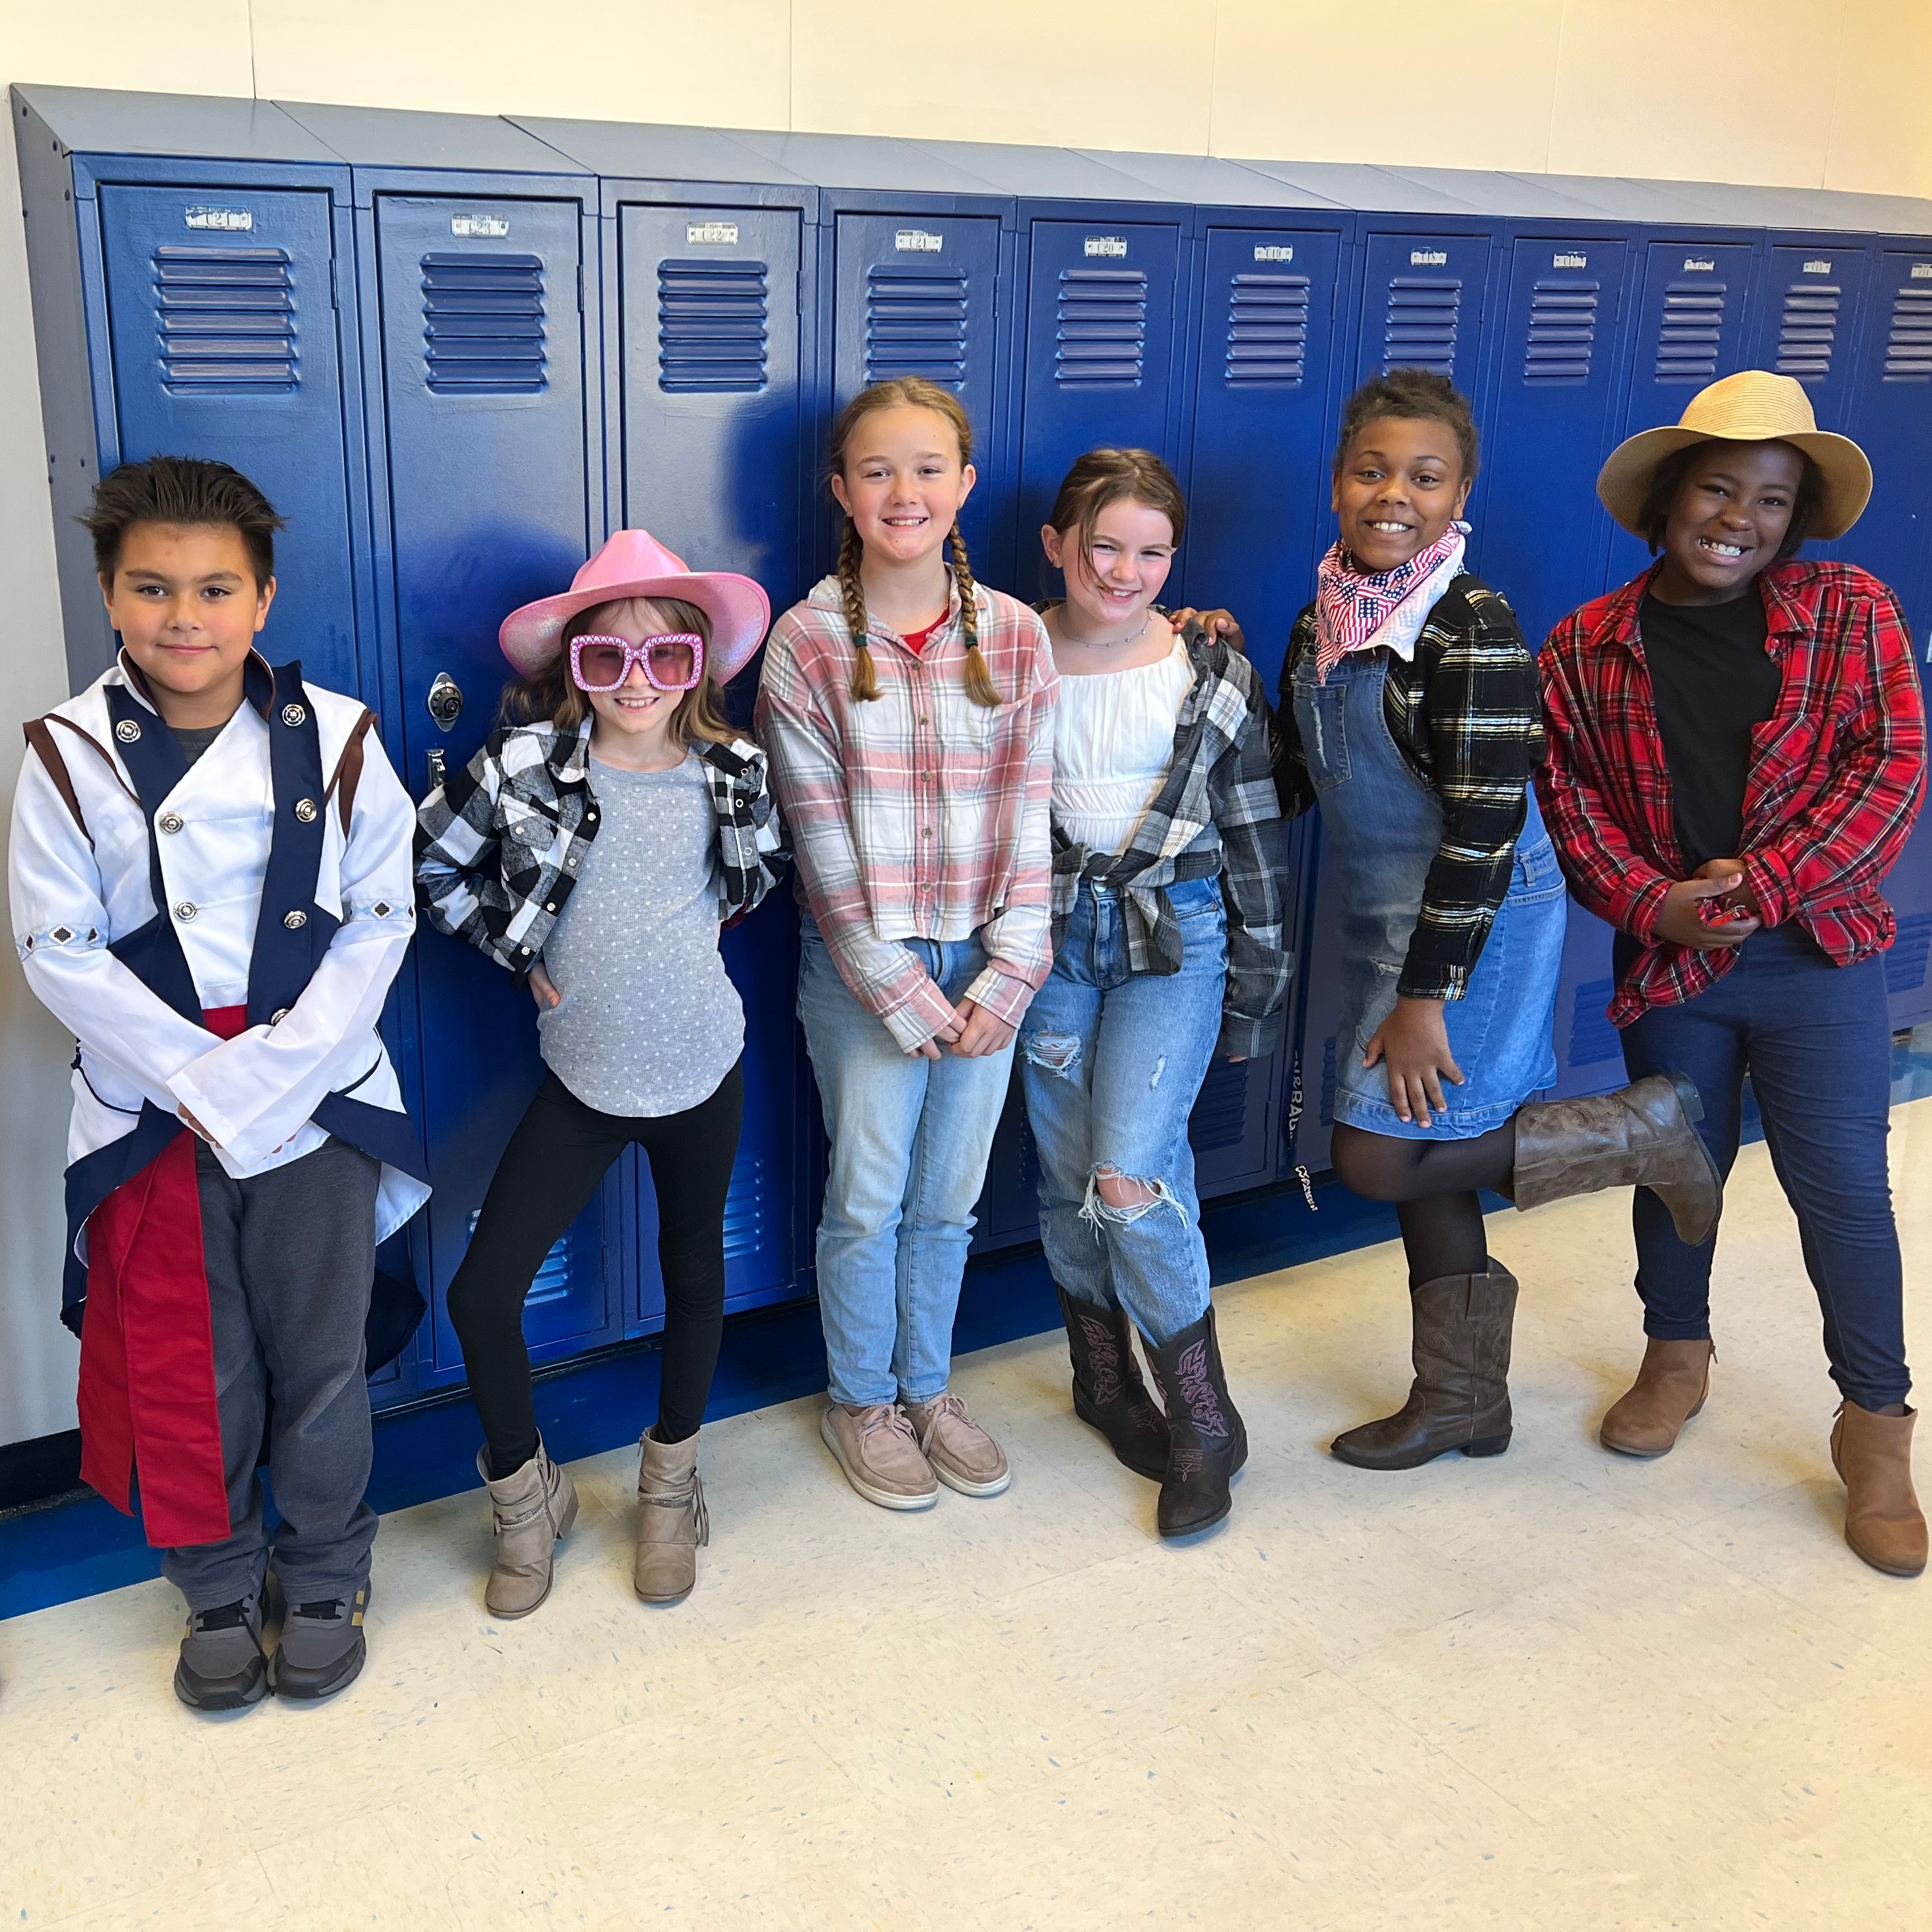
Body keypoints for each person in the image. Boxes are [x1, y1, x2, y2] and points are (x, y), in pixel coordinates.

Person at [9, 456, 429, 1709]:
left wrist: (278, 1079)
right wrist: (202, 1077)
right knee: (197, 1365)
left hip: (319, 1105)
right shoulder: (68, 753)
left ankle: (322, 1572)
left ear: (263, 600)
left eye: (213, 590)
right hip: (154, 1110)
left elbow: (382, 918)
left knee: (319, 1358)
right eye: (152, 589)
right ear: (108, 593)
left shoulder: (341, 736)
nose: (183, 619)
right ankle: (212, 1583)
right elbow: (55, 946)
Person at [1274, 371, 1721, 1473]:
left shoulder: (1471, 623)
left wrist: (1428, 999)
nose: (1394, 495)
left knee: (1379, 1158)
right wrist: (1202, 665)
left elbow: (1481, 827)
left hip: (1474, 920)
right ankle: (1465, 1401)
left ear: (1460, 491)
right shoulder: (1322, 615)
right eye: (1372, 470)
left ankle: (1640, 1131)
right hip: (1386, 910)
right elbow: (1297, 779)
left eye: (1424, 477)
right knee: (1429, 1151)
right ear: (1336, 483)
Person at [1539, 371, 1927, 1576]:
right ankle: (1677, 1353)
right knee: (1676, 1171)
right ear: (1667, 499)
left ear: (1793, 520)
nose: (1741, 518)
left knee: (1845, 1196)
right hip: (1674, 969)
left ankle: (1876, 1425)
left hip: (1816, 957)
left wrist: (1759, 888)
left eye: (1771, 499)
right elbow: (1574, 804)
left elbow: (1893, 769)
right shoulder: (1586, 648)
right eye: (1719, 487)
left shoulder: (1854, 610)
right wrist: (1657, 903)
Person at [416, 530, 782, 1612]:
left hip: (704, 1068)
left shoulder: (736, 767)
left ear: (700, 667)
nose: (636, 683)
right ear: (571, 668)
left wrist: (684, 947)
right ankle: (529, 1499)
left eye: (666, 659)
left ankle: (672, 1484)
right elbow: (434, 865)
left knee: (694, 1278)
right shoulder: (526, 767)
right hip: (581, 1080)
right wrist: (515, 949)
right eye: (606, 660)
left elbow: (749, 884)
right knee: (483, 1296)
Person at [756, 376, 1056, 1512]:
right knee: (869, 1197)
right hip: (862, 975)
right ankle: (862, 1400)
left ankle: (930, 1386)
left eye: (929, 468)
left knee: (952, 1201)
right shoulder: (809, 644)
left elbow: (1034, 817)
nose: (904, 491)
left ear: (965, 485)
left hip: (988, 964)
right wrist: (897, 987)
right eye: (877, 470)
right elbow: (817, 839)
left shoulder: (1019, 638)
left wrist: (1012, 972)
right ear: (842, 490)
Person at [1022, 448, 1290, 1537]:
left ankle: (1205, 1416)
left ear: (1175, 561)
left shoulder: (1209, 668)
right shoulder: (1010, 650)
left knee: (1128, 1174)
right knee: (1063, 1173)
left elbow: (1256, 834)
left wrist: (1258, 993)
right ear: (1055, 547)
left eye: (1151, 552)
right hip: (1043, 941)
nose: (1124, 571)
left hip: (1174, 935)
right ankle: (1101, 1382)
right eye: (1102, 547)